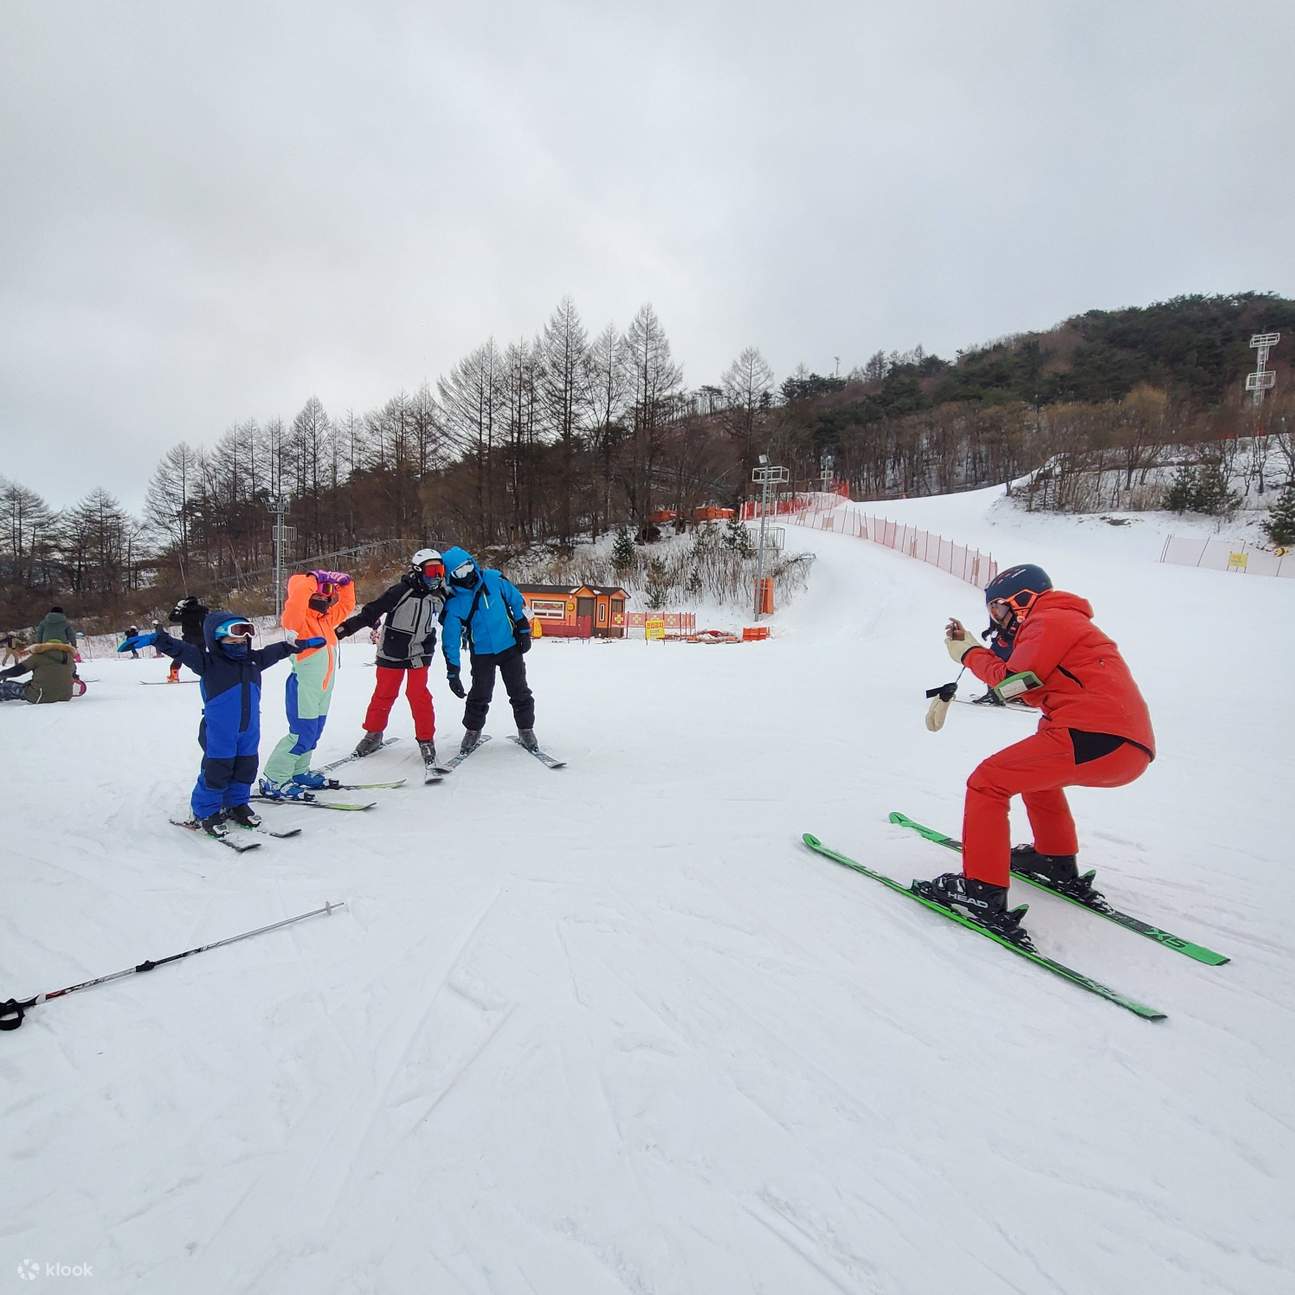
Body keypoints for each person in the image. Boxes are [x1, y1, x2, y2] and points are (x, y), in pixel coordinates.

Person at [913, 563, 1155, 939]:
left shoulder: (1049, 619)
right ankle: (1054, 859)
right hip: (1126, 746)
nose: (997, 618)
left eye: (998, 609)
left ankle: (981, 890)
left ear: (1023, 600)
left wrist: (970, 655)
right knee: (1034, 776)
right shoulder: (1063, 622)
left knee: (987, 782)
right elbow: (1020, 663)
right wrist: (975, 647)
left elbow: (1014, 684)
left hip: (1093, 733)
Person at [118, 611, 324, 837]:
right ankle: (205, 811)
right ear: (217, 640)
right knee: (217, 771)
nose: (240, 644)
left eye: (243, 640)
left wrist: (299, 645)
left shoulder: (253, 660)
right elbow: (181, 649)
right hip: (219, 732)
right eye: (232, 640)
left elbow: (275, 651)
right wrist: (158, 639)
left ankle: (236, 804)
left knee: (246, 768)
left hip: (248, 730)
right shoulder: (208, 662)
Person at [335, 549, 446, 770]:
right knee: (384, 694)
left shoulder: (441, 595)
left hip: (420, 651)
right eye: (432, 570)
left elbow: (457, 616)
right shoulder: (401, 591)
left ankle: (426, 740)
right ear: (417, 571)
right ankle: (373, 733)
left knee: (418, 695)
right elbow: (371, 612)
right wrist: (344, 629)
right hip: (392, 650)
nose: (436, 576)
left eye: (440, 570)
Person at [259, 570, 356, 800]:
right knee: (301, 734)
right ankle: (274, 778)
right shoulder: (297, 622)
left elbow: (347, 605)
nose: (324, 599)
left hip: (323, 689)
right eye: (318, 595)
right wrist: (313, 579)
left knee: (314, 733)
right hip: (304, 689)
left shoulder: (326, 620)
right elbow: (297, 599)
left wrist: (346, 583)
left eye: (327, 596)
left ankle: (299, 771)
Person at [438, 545, 536, 755]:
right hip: (482, 653)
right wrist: (452, 670)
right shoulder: (454, 603)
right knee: (480, 693)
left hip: (509, 646)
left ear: (472, 563)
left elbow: (517, 602)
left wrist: (524, 630)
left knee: (519, 689)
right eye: (460, 572)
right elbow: (450, 639)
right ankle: (473, 730)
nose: (468, 574)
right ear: (451, 576)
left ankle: (526, 728)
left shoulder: (494, 579)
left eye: (468, 567)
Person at [0, 641, 76, 704]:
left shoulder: (39, 657)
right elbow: (71, 673)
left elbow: (18, 670)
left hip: (40, 696)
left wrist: (2, 674)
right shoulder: (70, 659)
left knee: (7, 686)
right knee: (25, 685)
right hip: (66, 696)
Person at [166, 596, 209, 681]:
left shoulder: (185, 612)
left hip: (189, 638)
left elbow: (171, 618)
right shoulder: (203, 611)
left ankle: (174, 676)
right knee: (203, 657)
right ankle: (208, 675)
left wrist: (178, 607)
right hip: (202, 637)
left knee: (180, 656)